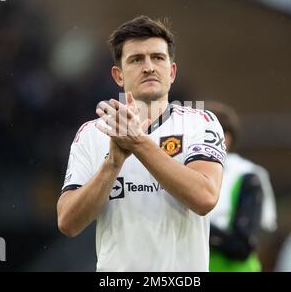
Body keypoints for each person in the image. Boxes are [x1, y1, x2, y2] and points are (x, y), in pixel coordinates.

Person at [56, 16, 226, 271]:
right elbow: (68, 223)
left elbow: (204, 197)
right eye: (136, 60)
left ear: (172, 71)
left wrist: (138, 143)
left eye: (157, 57)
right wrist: (112, 164)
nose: (148, 67)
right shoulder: (92, 133)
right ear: (118, 75)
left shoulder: (200, 123)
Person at [205, 102, 277, 272]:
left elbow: (244, 245)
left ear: (225, 138)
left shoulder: (248, 176)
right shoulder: (180, 170)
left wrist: (195, 226)